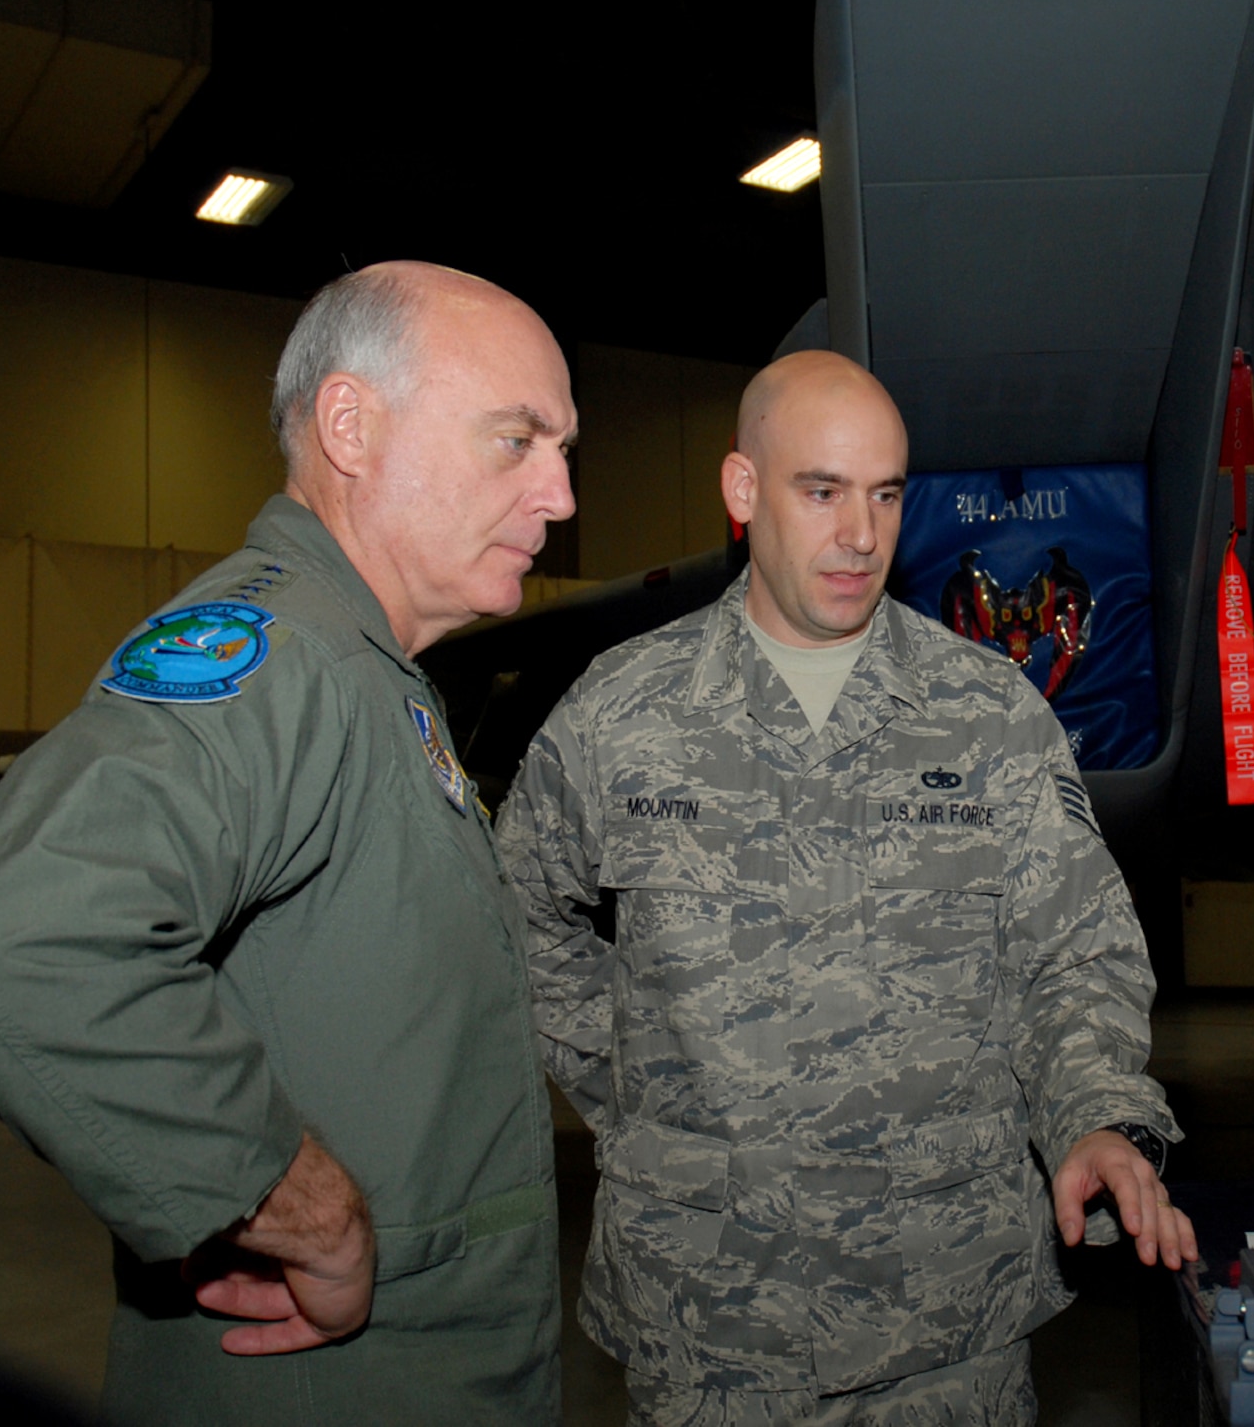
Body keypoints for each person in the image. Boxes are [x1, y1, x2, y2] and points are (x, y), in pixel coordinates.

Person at [499, 349, 1195, 1424]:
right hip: (709, 1324)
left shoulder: (984, 712)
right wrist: (634, 1080)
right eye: (820, 491)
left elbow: (1076, 948)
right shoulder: (622, 714)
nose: (861, 535)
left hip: (943, 1323)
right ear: (742, 491)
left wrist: (1093, 1115)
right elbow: (520, 914)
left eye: (883, 494)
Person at [0, 262, 577, 1425]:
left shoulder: (370, 670)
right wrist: (297, 1204)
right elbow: (24, 937)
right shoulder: (283, 655)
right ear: (350, 425)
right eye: (517, 440)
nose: (558, 495)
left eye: (564, 447)